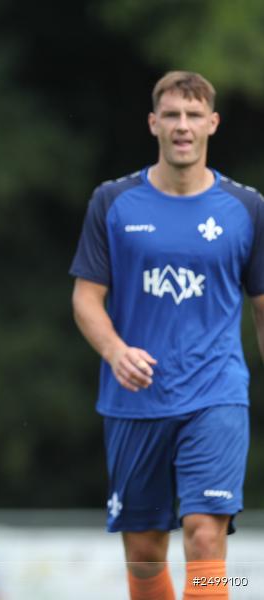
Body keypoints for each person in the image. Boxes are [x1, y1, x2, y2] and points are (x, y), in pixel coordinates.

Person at [70, 71, 264, 600]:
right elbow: (86, 298)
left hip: (216, 393)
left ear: (212, 123)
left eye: (193, 115)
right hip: (135, 400)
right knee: (144, 553)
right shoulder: (113, 201)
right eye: (172, 115)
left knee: (204, 537)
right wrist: (115, 351)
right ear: (154, 123)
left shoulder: (247, 208)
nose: (183, 126)